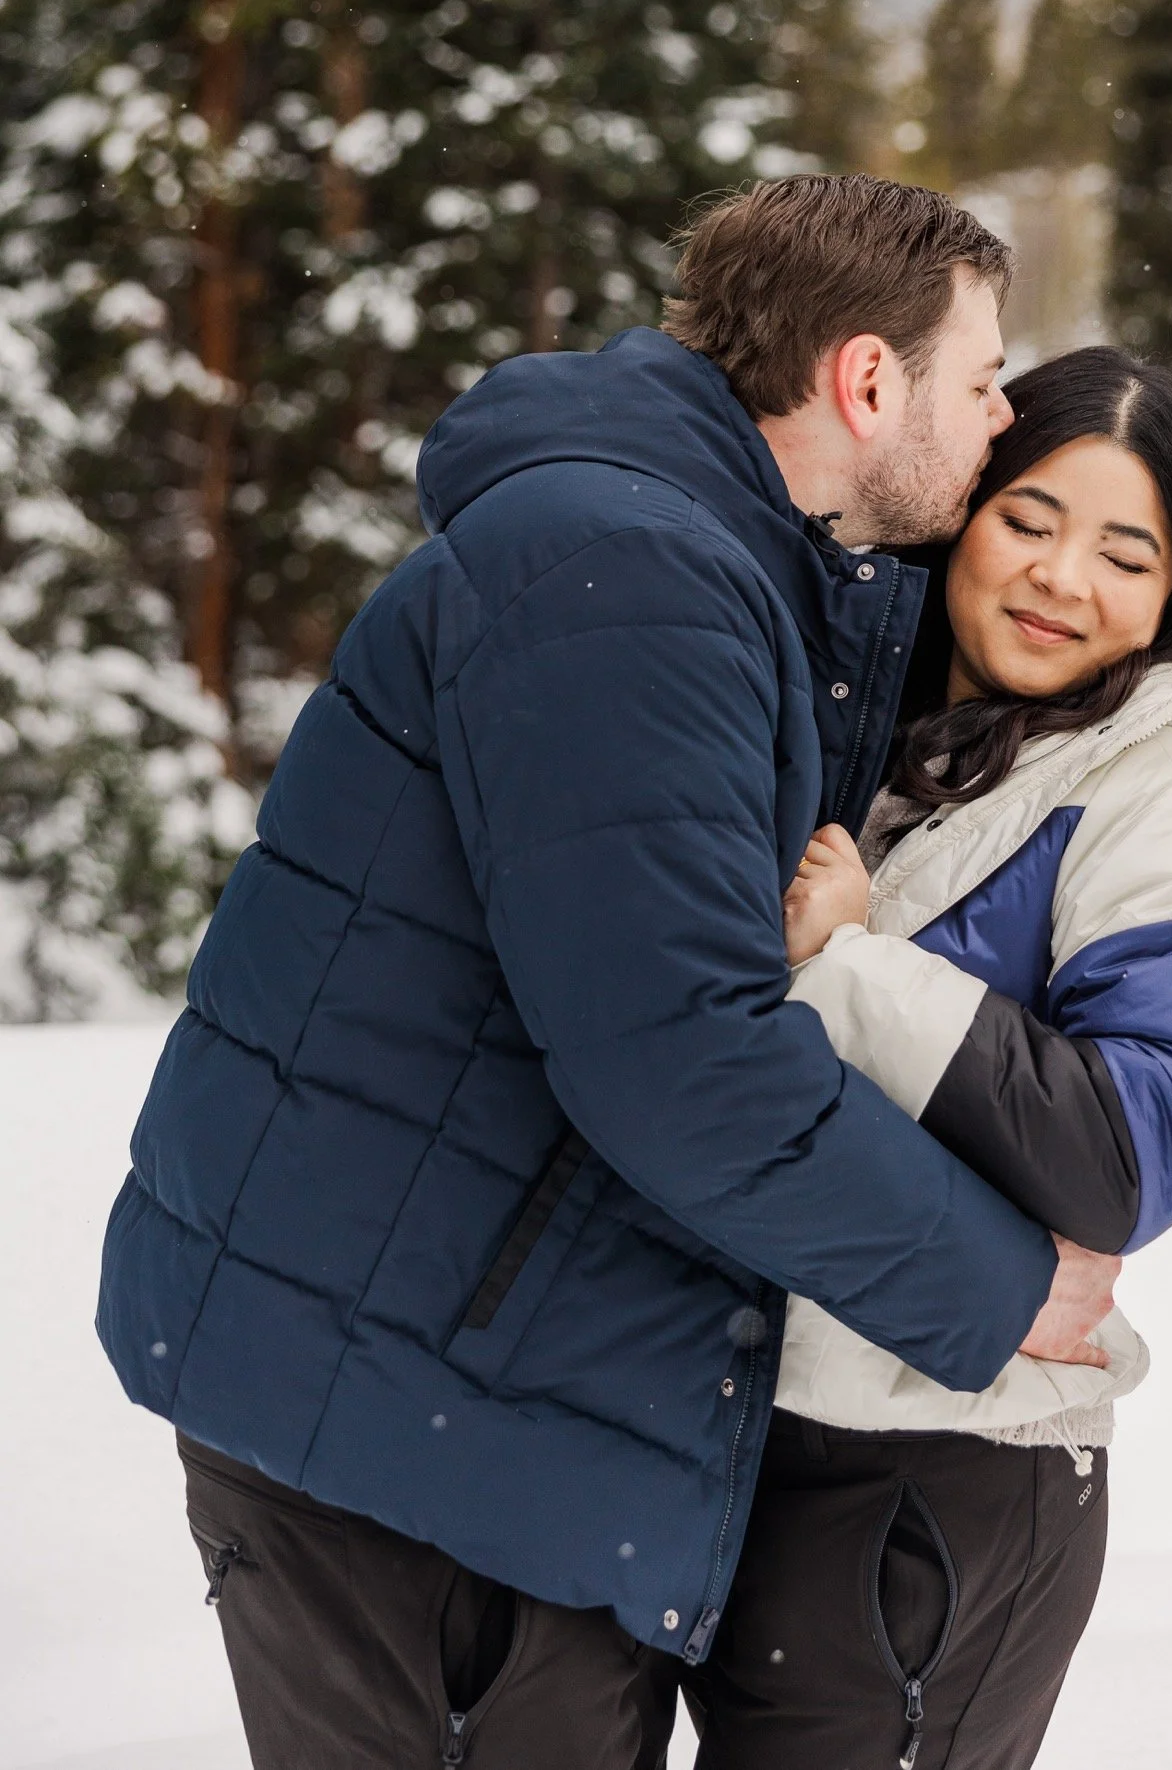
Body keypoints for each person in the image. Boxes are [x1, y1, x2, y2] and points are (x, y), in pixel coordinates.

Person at [95, 177, 1117, 1770]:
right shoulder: (633, 578)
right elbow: (679, 1055)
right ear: (866, 381)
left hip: (448, 1367)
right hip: (412, 1415)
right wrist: (997, 1283)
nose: (1003, 420)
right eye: (981, 379)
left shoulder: (698, 549)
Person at [691, 346, 1172, 1770]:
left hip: (944, 1476)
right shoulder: (850, 721)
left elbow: (1133, 1147)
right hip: (733, 1431)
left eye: (1125, 553)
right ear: (962, 505)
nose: (1062, 580)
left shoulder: (1160, 784)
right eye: (1029, 520)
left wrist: (857, 964)